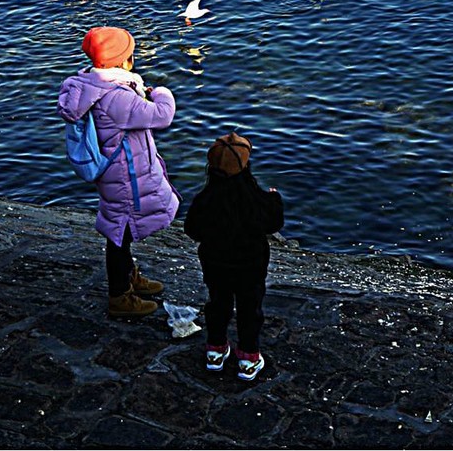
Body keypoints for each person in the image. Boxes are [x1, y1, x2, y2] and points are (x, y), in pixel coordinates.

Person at [56, 26, 178, 318]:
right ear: (124, 60)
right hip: (125, 175)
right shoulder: (116, 97)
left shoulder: (93, 85)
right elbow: (162, 116)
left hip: (115, 172)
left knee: (121, 228)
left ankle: (128, 276)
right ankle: (119, 295)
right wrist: (161, 92)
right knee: (119, 232)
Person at [184, 132, 284, 381]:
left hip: (214, 263)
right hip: (251, 265)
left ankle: (216, 351)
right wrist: (275, 199)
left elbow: (192, 230)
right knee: (250, 309)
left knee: (218, 304)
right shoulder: (256, 200)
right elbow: (274, 224)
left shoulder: (204, 200)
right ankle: (248, 359)